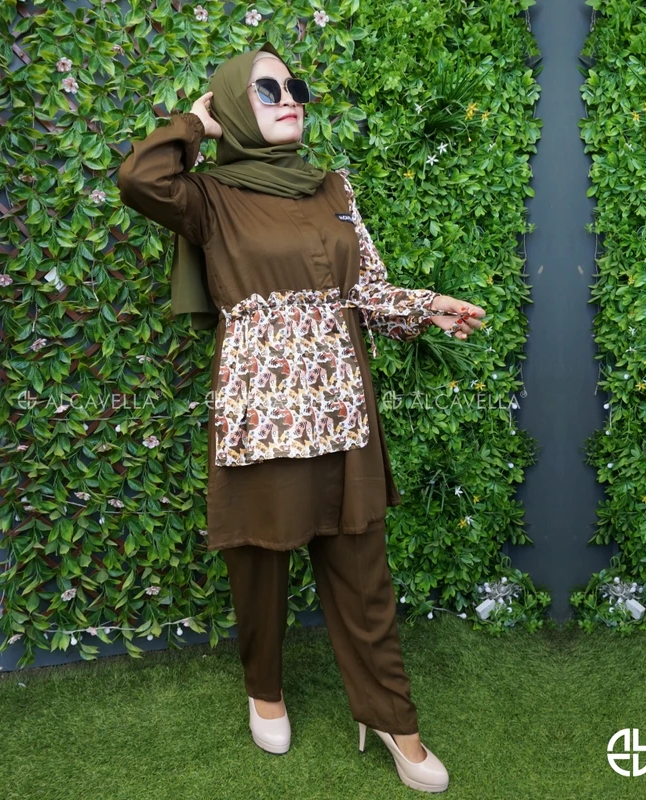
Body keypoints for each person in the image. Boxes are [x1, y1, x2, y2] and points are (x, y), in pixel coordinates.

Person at [117, 41, 485, 794]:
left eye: (295, 86)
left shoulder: (332, 188)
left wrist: (426, 307)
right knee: (258, 564)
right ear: (230, 105)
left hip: (343, 408)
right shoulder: (208, 197)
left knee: (362, 570)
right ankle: (265, 690)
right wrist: (195, 126)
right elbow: (139, 178)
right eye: (266, 89)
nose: (290, 97)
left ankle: (394, 720)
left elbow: (366, 291)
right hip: (263, 415)